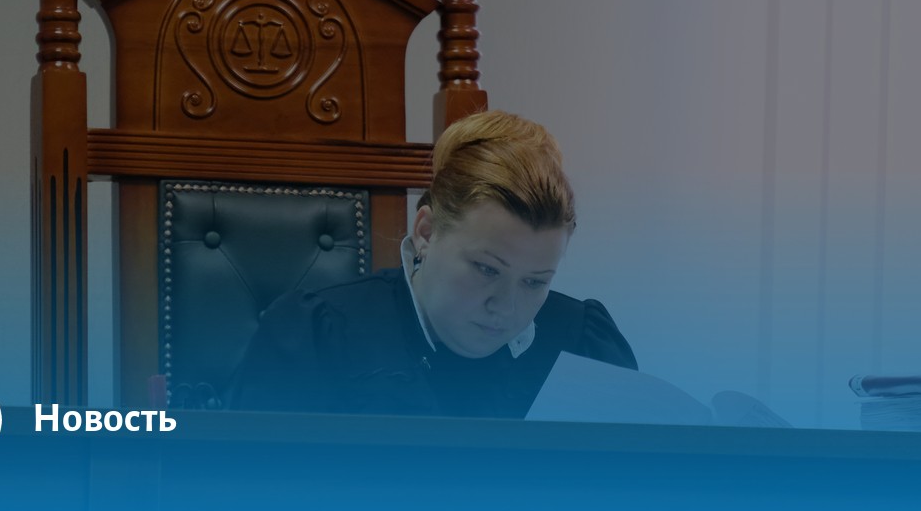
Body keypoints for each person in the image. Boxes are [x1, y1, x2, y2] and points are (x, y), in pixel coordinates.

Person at [228, 110, 637, 418]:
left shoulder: (584, 346)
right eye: (486, 269)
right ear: (425, 232)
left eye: (535, 282)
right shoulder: (317, 335)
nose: (506, 306)